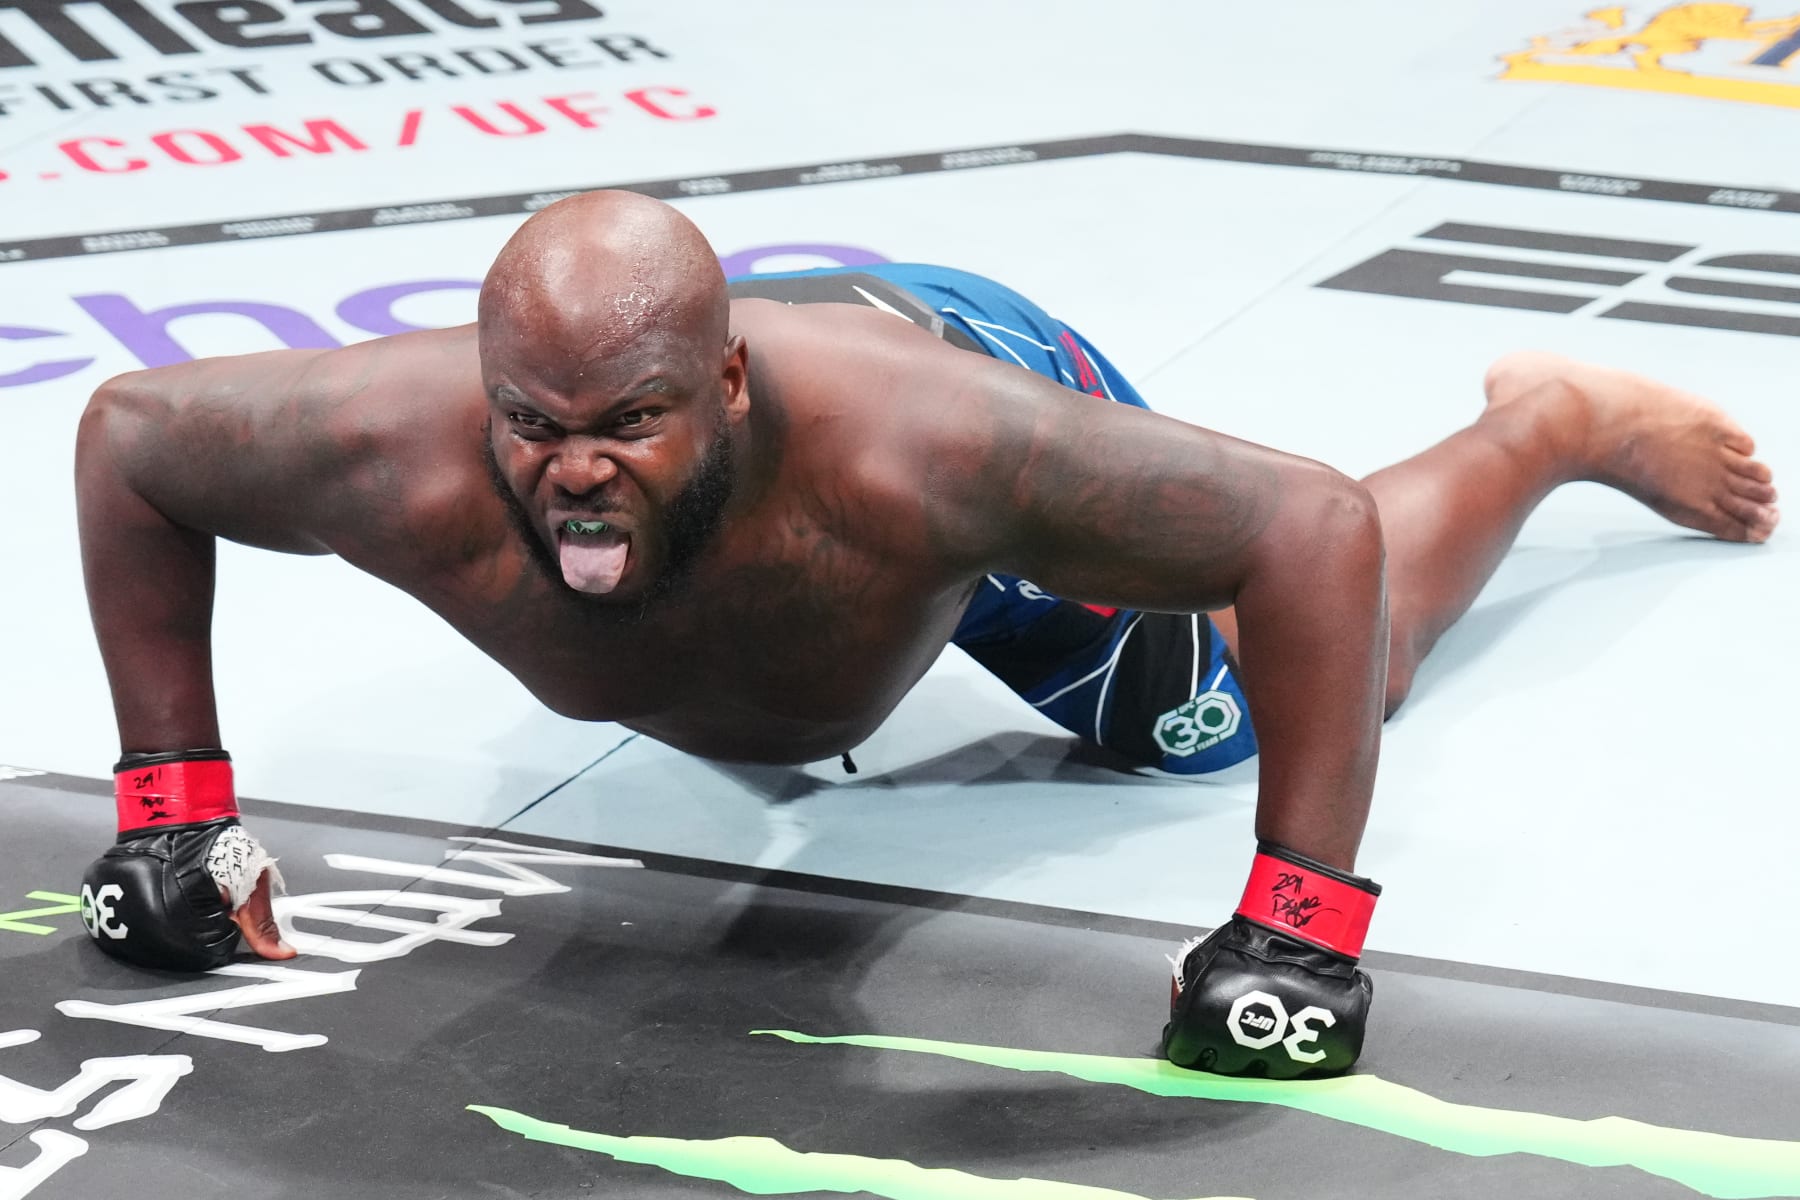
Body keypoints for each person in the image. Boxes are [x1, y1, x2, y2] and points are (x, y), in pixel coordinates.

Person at [73, 191, 1778, 1078]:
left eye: (632, 426)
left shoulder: (942, 454)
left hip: (960, 389)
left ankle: (1546, 424)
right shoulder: (387, 443)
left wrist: (1301, 930)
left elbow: (1305, 528)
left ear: (728, 385)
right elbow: (133, 439)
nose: (574, 473)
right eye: (535, 424)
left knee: (1226, 711)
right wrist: (174, 809)